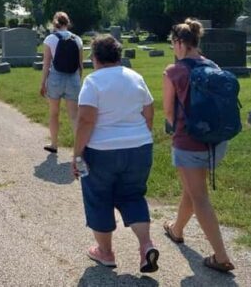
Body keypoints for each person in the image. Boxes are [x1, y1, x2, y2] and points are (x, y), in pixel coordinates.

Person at [72, 35, 159, 273]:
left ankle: (106, 252)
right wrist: (140, 136)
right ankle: (145, 246)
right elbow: (149, 112)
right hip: (140, 147)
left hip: (102, 151)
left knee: (98, 198)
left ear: (95, 58)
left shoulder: (92, 82)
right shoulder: (136, 77)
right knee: (133, 196)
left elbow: (86, 120)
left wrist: (77, 153)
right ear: (119, 56)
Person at [162, 18, 235, 273]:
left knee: (199, 196)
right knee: (191, 190)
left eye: (173, 43)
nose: (173, 48)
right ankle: (176, 229)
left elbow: (169, 113)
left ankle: (221, 256)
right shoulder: (213, 65)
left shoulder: (173, 72)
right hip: (217, 141)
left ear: (181, 44)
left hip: (188, 143)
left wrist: (178, 128)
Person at [40, 11, 83, 153]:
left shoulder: (50, 39)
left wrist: (43, 83)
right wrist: (79, 79)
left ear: (55, 23)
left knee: (54, 113)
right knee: (74, 115)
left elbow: (46, 64)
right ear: (68, 23)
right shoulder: (77, 39)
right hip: (73, 77)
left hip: (55, 78)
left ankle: (54, 144)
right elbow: (80, 65)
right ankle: (80, 149)